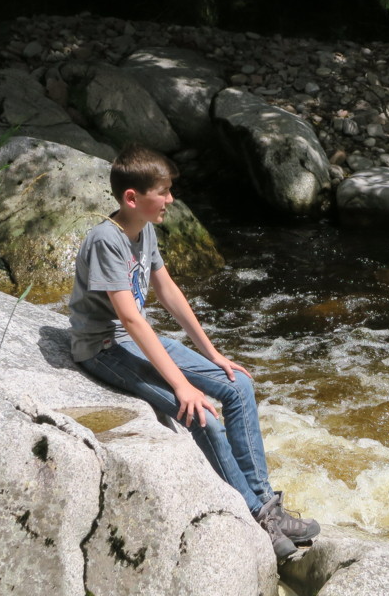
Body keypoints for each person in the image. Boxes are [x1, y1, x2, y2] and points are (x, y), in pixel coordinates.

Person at [68, 144, 320, 560]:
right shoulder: (106, 240)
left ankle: (266, 504)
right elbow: (130, 319)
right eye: (163, 192)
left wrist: (213, 354)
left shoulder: (144, 229)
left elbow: (168, 291)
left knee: (237, 385)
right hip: (103, 347)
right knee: (200, 413)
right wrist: (183, 386)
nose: (171, 199)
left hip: (133, 338)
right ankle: (255, 516)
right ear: (132, 198)